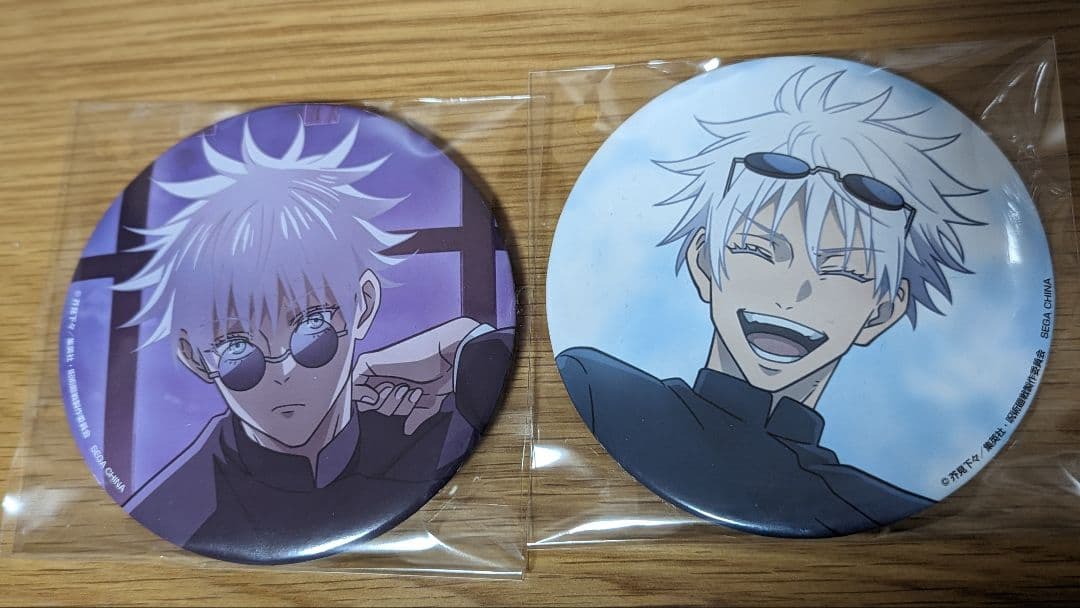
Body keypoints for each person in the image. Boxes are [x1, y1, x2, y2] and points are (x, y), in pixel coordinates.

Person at [557, 66, 985, 537]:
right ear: (704, 263)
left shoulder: (878, 507)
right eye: (758, 249)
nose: (792, 294)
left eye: (843, 269)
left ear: (881, 314)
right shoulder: (596, 391)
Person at [117, 118, 513, 563]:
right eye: (238, 350)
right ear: (194, 357)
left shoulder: (431, 428)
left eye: (312, 327)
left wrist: (465, 346)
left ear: (363, 305)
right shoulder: (179, 510)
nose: (283, 374)